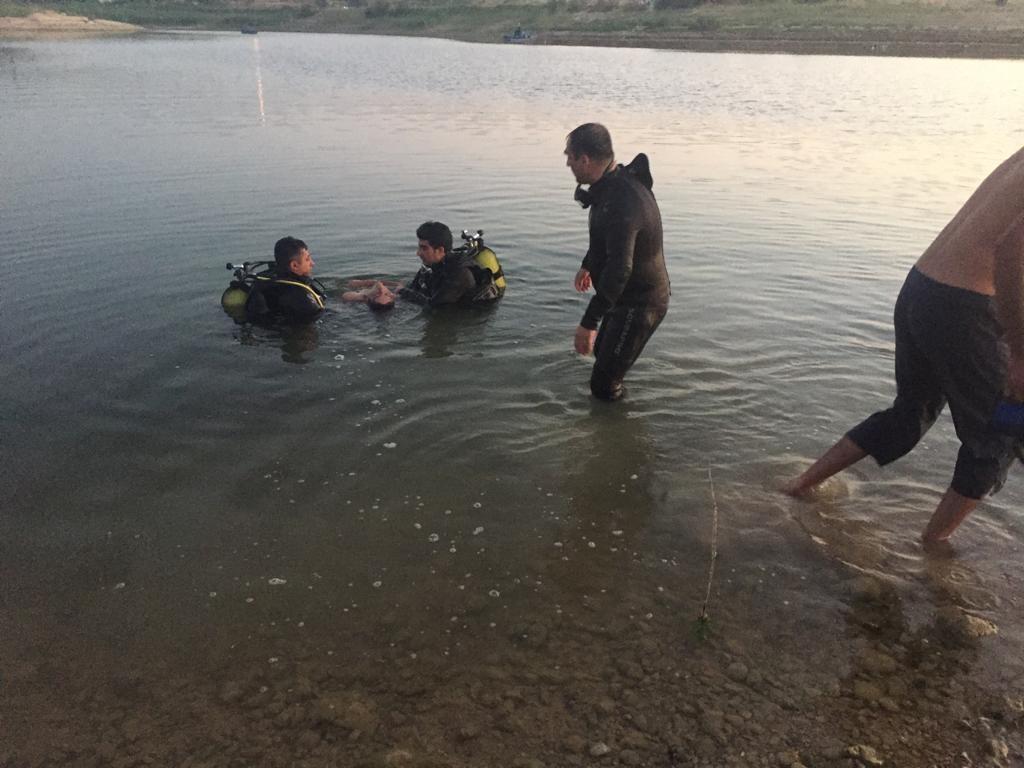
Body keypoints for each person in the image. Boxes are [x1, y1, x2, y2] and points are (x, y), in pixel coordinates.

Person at [784, 146, 1024, 544]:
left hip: (923, 289)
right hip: (967, 306)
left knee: (910, 412)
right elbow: (1012, 249)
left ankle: (798, 487)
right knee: (1000, 435)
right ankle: (932, 550)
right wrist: (1019, 348)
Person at [565, 123, 671, 401]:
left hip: (641, 303)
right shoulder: (609, 185)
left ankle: (619, 438)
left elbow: (620, 268)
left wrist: (589, 322)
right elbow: (606, 239)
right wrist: (589, 263)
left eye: (570, 157)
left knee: (603, 385)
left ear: (585, 159)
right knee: (603, 355)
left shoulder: (622, 200)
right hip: (622, 296)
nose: (567, 163)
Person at [400, 221, 504, 307]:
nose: (418, 253)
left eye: (424, 248)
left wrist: (402, 292)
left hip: (469, 315)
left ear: (440, 250)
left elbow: (433, 306)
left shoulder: (460, 274)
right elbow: (414, 288)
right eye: (419, 247)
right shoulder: (431, 265)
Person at [245, 236, 326, 325]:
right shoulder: (298, 295)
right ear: (294, 265)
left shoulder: (269, 278)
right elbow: (322, 318)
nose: (312, 263)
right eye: (307, 259)